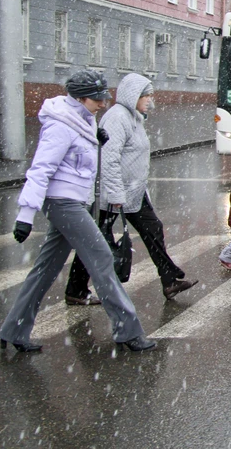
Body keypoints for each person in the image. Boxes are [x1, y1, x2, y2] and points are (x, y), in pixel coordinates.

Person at [0, 70, 155, 353]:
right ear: (80, 98)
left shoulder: (81, 119)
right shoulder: (60, 125)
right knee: (102, 258)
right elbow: (41, 169)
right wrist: (25, 215)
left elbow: (78, 160)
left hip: (74, 202)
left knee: (46, 267)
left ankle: (14, 330)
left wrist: (95, 140)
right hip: (63, 203)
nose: (102, 104)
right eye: (97, 99)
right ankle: (127, 331)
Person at [64, 73, 198, 302]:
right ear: (132, 95)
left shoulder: (134, 116)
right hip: (114, 195)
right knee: (95, 239)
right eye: (145, 95)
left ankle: (169, 280)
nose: (149, 99)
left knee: (153, 229)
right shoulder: (117, 118)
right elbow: (108, 159)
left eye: (150, 94)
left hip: (133, 193)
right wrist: (115, 194)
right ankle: (75, 290)